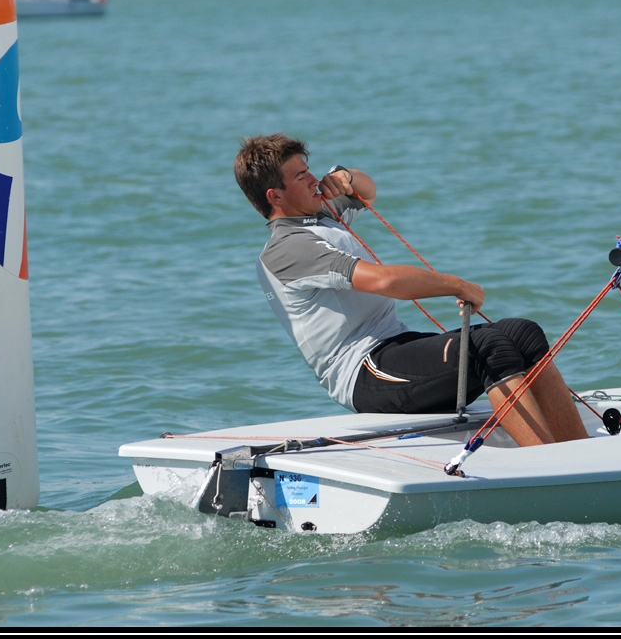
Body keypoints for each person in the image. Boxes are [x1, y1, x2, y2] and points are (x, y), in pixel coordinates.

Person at [234, 133, 588, 446]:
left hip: (394, 346)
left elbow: (368, 192)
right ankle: (547, 464)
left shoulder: (319, 215)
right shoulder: (287, 248)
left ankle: (581, 454)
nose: (314, 179)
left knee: (522, 334)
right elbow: (385, 282)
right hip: (363, 373)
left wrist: (347, 177)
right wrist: (457, 285)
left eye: (309, 169)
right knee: (489, 347)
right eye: (301, 176)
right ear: (275, 195)